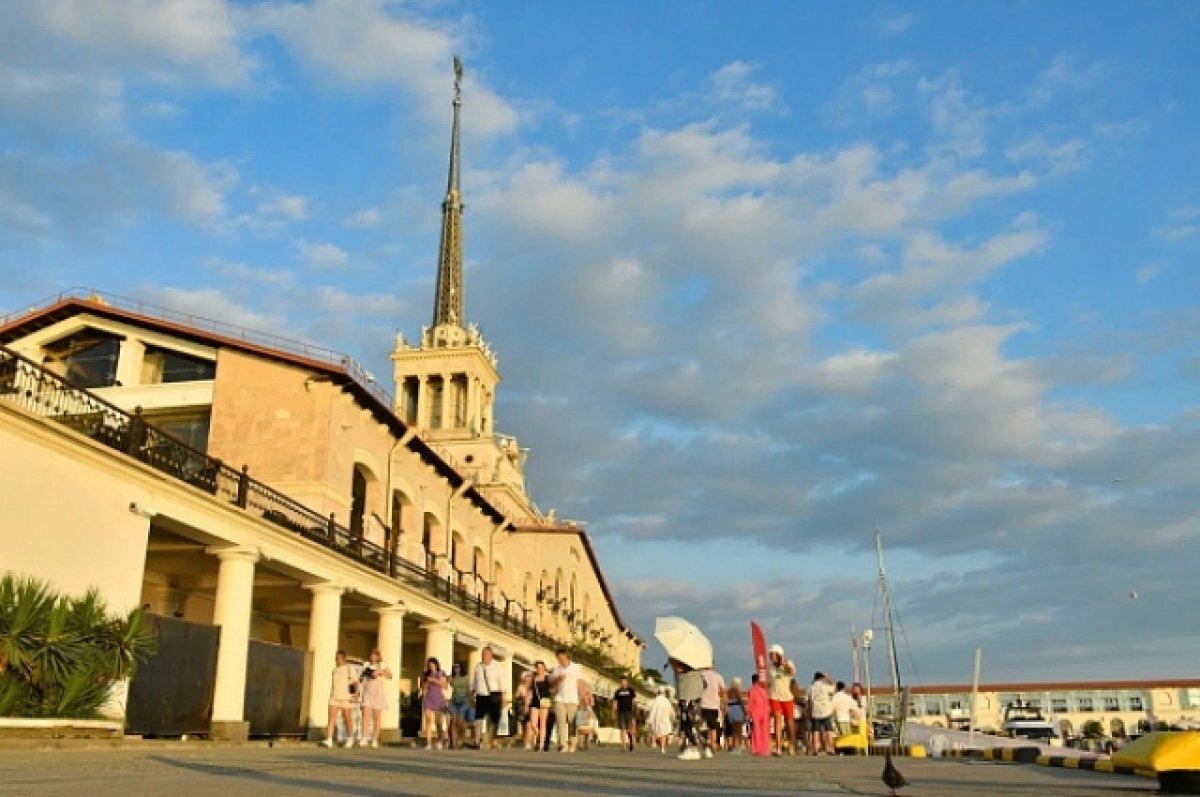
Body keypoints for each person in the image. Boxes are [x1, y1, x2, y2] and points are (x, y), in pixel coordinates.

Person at [549, 647, 589, 753]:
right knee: (560, 721)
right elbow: (551, 685)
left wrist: (583, 696)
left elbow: (580, 683)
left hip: (573, 699)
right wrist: (558, 679)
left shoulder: (576, 667)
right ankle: (563, 744)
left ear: (566, 656)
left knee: (572, 722)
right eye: (558, 658)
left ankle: (572, 743)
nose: (560, 660)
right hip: (560, 698)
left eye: (562, 657)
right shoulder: (556, 669)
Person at [471, 645, 508, 750]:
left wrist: (503, 696)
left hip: (494, 694)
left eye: (486, 654)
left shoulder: (497, 666)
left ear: (491, 655)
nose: (484, 656)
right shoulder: (478, 666)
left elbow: (502, 681)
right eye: (483, 654)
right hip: (481, 694)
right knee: (478, 718)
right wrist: (472, 692)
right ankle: (477, 740)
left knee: (494, 719)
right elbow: (475, 680)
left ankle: (493, 740)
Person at [321, 650, 359, 748]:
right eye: (337, 658)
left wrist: (355, 694)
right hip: (334, 697)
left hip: (346, 697)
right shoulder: (335, 670)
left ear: (344, 658)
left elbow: (355, 682)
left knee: (347, 718)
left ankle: (350, 737)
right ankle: (329, 739)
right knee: (331, 717)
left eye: (340, 658)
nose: (338, 660)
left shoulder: (349, 668)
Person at [670, 657, 705, 761]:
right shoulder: (696, 668)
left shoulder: (686, 664)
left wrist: (672, 662)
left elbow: (678, 669)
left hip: (687, 695)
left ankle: (693, 748)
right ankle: (693, 747)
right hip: (692, 695)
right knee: (688, 722)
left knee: (688, 722)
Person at [358, 648, 392, 748]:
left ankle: (374, 739)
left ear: (378, 656)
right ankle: (364, 737)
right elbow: (365, 675)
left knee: (377, 717)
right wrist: (374, 673)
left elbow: (390, 675)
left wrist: (382, 672)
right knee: (365, 715)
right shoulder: (366, 664)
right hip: (368, 692)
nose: (373, 657)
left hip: (378, 693)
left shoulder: (382, 665)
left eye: (375, 655)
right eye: (372, 655)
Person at [767, 644, 796, 755]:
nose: (772, 657)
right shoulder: (771, 667)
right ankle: (778, 747)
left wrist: (783, 664)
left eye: (773, 654)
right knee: (778, 721)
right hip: (774, 696)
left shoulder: (788, 663)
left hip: (787, 696)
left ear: (779, 655)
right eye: (770, 655)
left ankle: (791, 745)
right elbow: (770, 682)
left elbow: (791, 672)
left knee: (789, 721)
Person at [420, 657, 449, 750]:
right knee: (428, 721)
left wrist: (433, 680)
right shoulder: (426, 675)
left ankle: (440, 740)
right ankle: (429, 743)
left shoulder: (441, 673)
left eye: (432, 664)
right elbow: (423, 687)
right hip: (428, 698)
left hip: (438, 699)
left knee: (438, 722)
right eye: (429, 665)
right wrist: (423, 696)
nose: (431, 666)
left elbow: (444, 685)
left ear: (436, 665)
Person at [699, 666, 726, 758]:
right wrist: (724, 704)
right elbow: (723, 692)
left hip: (702, 705)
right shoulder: (718, 676)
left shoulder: (700, 675)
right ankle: (713, 745)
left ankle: (707, 743)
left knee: (704, 726)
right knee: (713, 727)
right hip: (714, 705)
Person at [809, 671, 836, 755]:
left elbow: (809, 700)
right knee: (828, 730)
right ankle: (830, 748)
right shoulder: (825, 685)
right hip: (826, 710)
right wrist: (828, 677)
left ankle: (815, 749)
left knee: (815, 731)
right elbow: (834, 687)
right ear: (822, 678)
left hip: (815, 710)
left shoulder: (811, 687)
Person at [528, 660, 552, 752]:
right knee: (533, 724)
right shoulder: (533, 678)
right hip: (534, 702)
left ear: (544, 668)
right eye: (538, 668)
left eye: (541, 668)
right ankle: (539, 737)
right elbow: (530, 691)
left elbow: (552, 688)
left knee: (542, 724)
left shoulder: (547, 678)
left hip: (544, 702)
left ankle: (541, 744)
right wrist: (527, 702)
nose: (539, 669)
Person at [446, 662, 470, 749]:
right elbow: (446, 687)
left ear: (461, 668)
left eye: (457, 667)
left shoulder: (466, 678)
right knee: (453, 722)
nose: (456, 669)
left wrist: (469, 701)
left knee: (460, 722)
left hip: (463, 700)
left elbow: (468, 690)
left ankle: (460, 739)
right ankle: (454, 742)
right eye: (454, 667)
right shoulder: (451, 678)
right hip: (454, 700)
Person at [748, 673, 771, 756]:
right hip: (765, 711)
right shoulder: (763, 690)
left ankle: (757, 748)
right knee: (764, 730)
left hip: (756, 711)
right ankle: (765, 748)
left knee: (756, 730)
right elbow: (767, 700)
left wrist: (749, 712)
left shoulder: (752, 690)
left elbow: (750, 702)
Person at [647, 688, 676, 754]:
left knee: (658, 732)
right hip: (665, 719)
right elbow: (671, 710)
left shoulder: (655, 701)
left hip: (657, 719)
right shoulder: (666, 701)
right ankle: (662, 747)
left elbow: (653, 710)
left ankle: (658, 744)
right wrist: (673, 717)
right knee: (664, 733)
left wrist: (650, 719)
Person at [613, 676, 638, 753]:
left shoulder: (631, 690)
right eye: (621, 682)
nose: (623, 683)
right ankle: (623, 745)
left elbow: (634, 701)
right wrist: (613, 711)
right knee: (622, 729)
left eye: (624, 682)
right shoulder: (617, 692)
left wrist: (635, 711)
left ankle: (632, 742)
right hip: (621, 712)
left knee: (630, 729)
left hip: (629, 712)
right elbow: (615, 702)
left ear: (627, 682)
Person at [725, 676, 747, 753]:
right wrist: (745, 712)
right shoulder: (737, 691)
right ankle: (739, 746)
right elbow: (741, 701)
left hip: (730, 710)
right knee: (739, 730)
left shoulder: (728, 691)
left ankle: (734, 746)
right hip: (737, 709)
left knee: (733, 730)